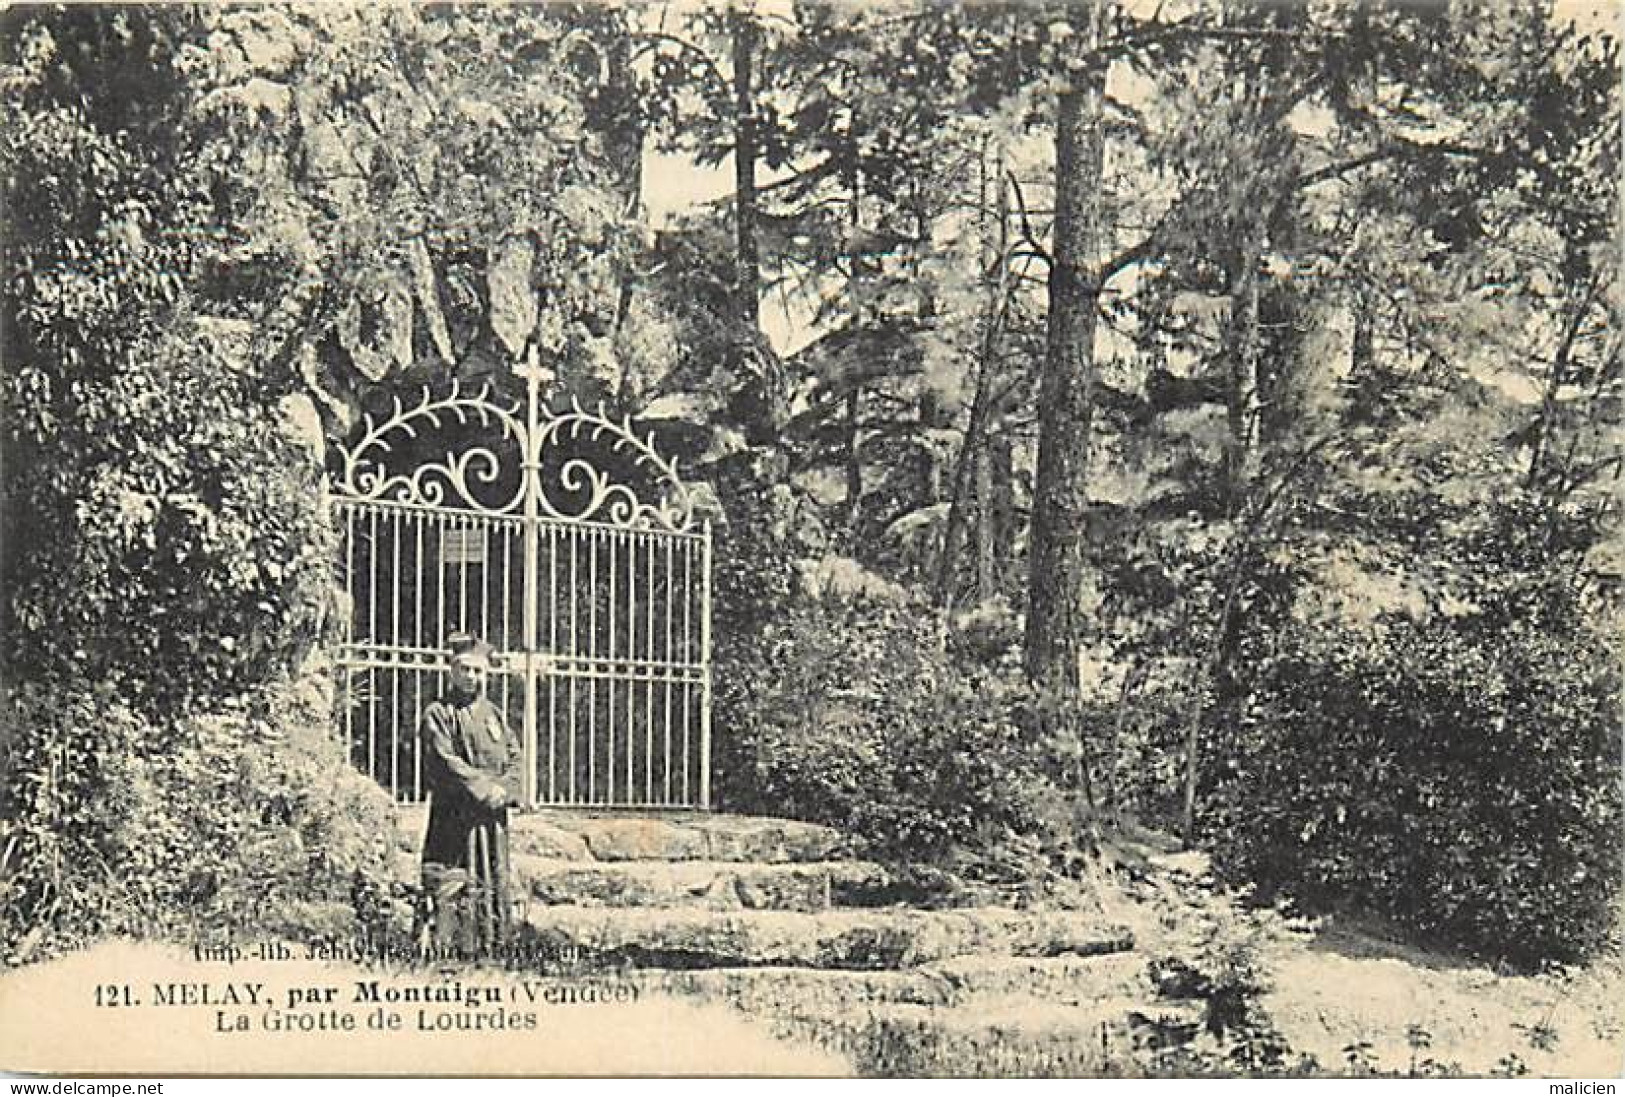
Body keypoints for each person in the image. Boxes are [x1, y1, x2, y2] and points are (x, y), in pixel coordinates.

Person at [419, 632, 523, 956]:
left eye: (478, 671)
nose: (471, 677)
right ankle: (449, 949)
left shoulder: (493, 713)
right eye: (464, 669)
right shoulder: (438, 713)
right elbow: (445, 760)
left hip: (491, 814)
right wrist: (483, 788)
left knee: (492, 875)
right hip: (455, 814)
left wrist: (505, 789)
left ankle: (492, 944)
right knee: (452, 877)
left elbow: (515, 755)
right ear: (451, 670)